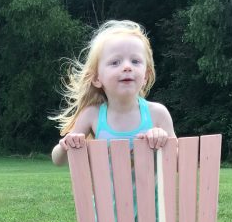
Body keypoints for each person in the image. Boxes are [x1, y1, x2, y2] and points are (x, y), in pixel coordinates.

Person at [51, 19, 174, 166]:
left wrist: (164, 140)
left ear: (145, 76)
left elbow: (178, 161)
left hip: (150, 190)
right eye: (115, 62)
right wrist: (65, 145)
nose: (127, 67)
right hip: (104, 191)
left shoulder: (158, 113)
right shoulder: (92, 115)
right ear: (97, 78)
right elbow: (58, 161)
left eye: (135, 61)